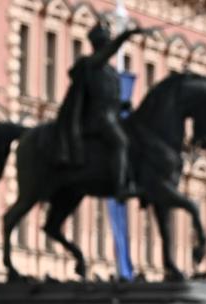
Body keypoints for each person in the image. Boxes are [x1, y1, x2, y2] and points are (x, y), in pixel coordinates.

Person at [55, 20, 149, 203]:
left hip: (111, 116)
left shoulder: (110, 71)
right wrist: (125, 36)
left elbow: (109, 98)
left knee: (137, 139)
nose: (108, 45)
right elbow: (95, 100)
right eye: (106, 42)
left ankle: (134, 181)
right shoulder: (92, 64)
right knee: (120, 142)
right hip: (97, 119)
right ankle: (120, 187)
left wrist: (123, 106)